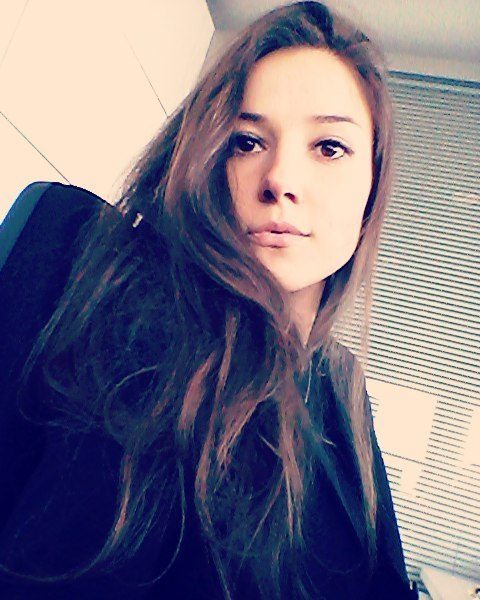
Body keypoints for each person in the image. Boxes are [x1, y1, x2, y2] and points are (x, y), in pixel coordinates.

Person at [0, 2, 419, 598]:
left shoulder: (344, 395)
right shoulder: (88, 267)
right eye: (247, 141)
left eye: (329, 147)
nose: (280, 179)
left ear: (372, 186)